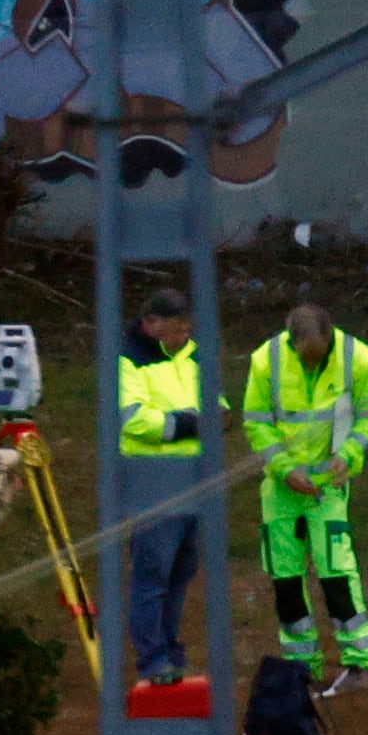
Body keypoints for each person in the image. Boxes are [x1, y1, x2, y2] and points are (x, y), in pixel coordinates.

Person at [240, 301, 368, 675]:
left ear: (331, 337)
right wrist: (285, 469)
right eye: (306, 358)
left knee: (337, 575)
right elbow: (256, 424)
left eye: (319, 357)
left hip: (328, 489)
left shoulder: (358, 359)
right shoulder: (264, 361)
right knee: (285, 581)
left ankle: (358, 662)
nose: (312, 365)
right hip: (281, 490)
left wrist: (349, 454)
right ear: (291, 342)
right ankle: (301, 667)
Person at [113, 296, 207, 690]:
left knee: (181, 573)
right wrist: (188, 425)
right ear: (152, 324)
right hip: (151, 483)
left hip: (195, 480)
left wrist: (219, 415)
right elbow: (134, 420)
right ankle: (153, 660)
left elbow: (212, 400)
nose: (186, 336)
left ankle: (169, 651)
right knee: (152, 577)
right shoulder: (126, 360)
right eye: (178, 329)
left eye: (188, 329)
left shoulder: (191, 354)